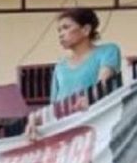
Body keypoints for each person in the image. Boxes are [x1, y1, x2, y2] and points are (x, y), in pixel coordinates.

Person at [27, 8, 122, 137]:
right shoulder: (60, 66)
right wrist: (36, 117)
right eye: (59, 30)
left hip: (95, 127)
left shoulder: (108, 51)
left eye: (66, 28)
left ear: (86, 30)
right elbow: (54, 106)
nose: (61, 34)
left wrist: (90, 98)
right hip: (66, 131)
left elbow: (102, 84)